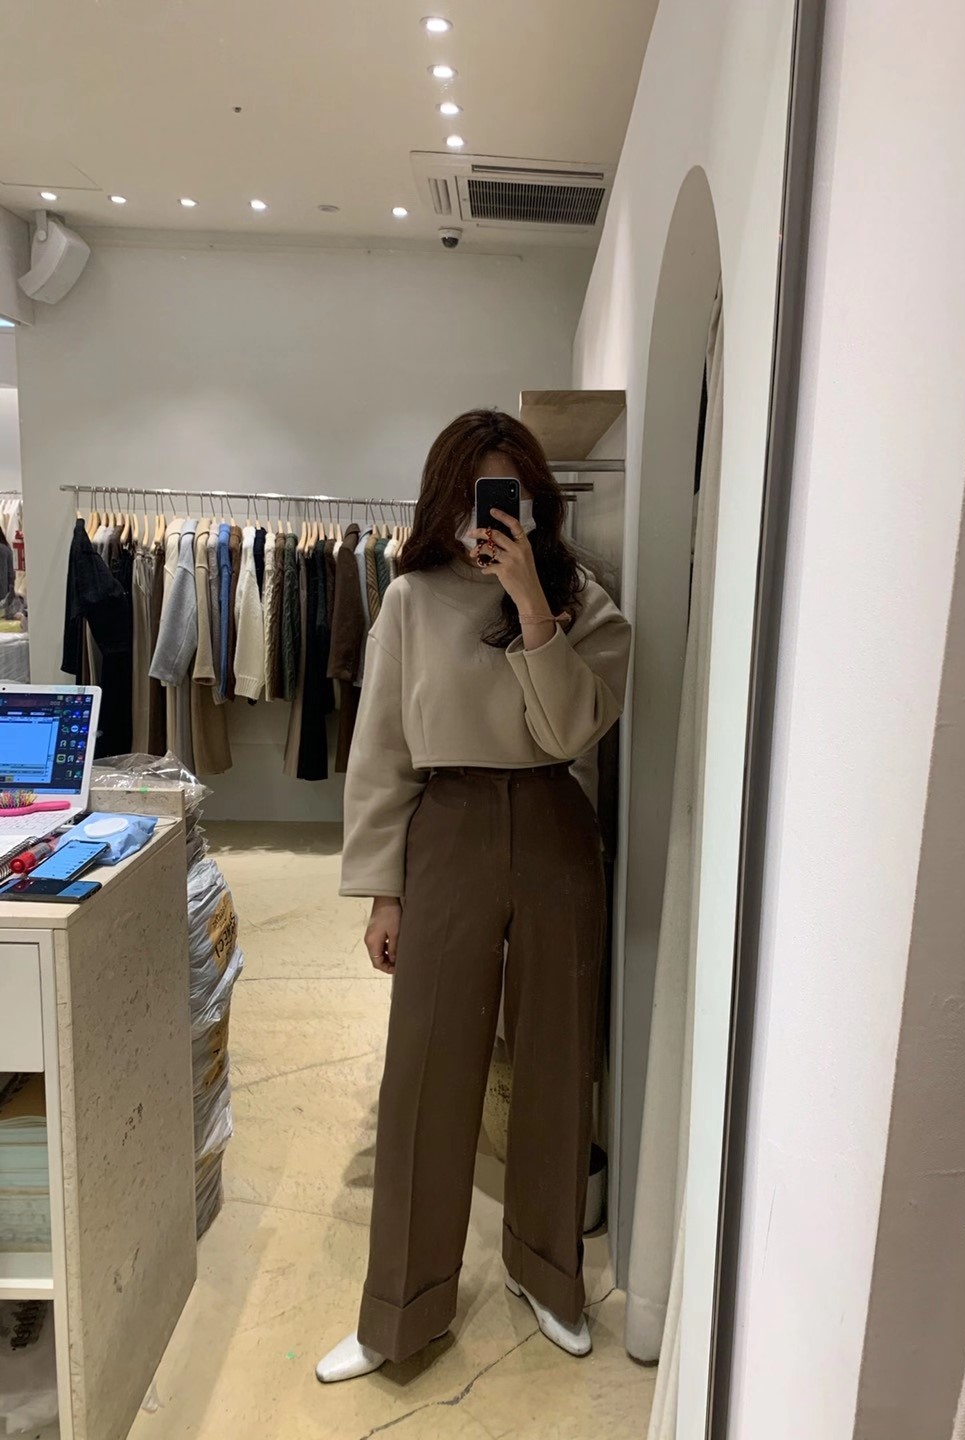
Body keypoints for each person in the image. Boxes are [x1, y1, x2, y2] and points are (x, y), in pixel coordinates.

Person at [317, 409, 632, 1382]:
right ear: (444, 500)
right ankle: (399, 1312)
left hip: (553, 824)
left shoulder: (584, 601)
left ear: (535, 502)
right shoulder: (410, 600)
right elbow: (380, 749)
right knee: (426, 1066)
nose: (487, 514)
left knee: (557, 1057)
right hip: (446, 827)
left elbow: (571, 731)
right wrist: (382, 891)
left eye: (508, 494)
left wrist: (532, 603)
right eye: (472, 493)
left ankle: (548, 1273)